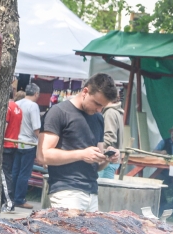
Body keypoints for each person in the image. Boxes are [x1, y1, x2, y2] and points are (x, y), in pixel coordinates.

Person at [39, 73, 116, 211]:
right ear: (85, 91)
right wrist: (81, 154)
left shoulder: (98, 118)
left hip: (92, 192)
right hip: (66, 191)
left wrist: (107, 158)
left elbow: (96, 165)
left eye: (103, 107)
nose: (99, 110)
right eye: (97, 103)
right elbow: (42, 156)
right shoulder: (58, 112)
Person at [10, 83, 41, 209]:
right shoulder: (33, 106)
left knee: (15, 171)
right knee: (24, 173)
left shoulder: (17, 103)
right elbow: (36, 128)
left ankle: (11, 196)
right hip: (29, 143)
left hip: (16, 141)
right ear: (36, 94)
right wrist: (42, 142)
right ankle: (19, 199)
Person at [0, 91, 23, 206]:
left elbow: (4, 126)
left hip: (5, 144)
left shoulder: (7, 107)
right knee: (8, 173)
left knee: (4, 175)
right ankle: (5, 200)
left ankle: (9, 202)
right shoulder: (18, 108)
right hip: (13, 143)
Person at [100, 99, 123, 179]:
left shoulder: (110, 112)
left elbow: (109, 138)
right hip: (110, 161)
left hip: (107, 161)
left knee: (102, 186)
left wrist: (94, 146)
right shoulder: (116, 111)